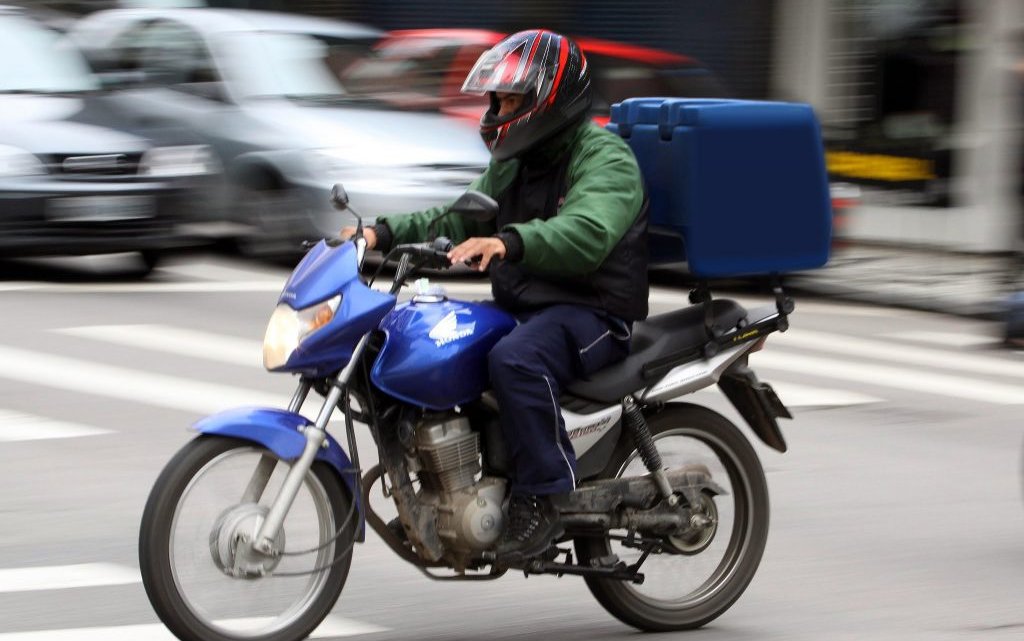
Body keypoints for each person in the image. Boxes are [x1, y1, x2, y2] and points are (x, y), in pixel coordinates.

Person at [341, 29, 649, 564]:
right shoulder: (516, 159)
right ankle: (452, 479)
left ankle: (547, 495)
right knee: (430, 340)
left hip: (594, 311)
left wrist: (510, 241)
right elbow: (460, 213)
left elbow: (588, 231)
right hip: (529, 306)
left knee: (516, 359)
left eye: (511, 100)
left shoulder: (606, 159)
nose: (500, 111)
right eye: (498, 100)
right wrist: (379, 234)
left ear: (548, 101)